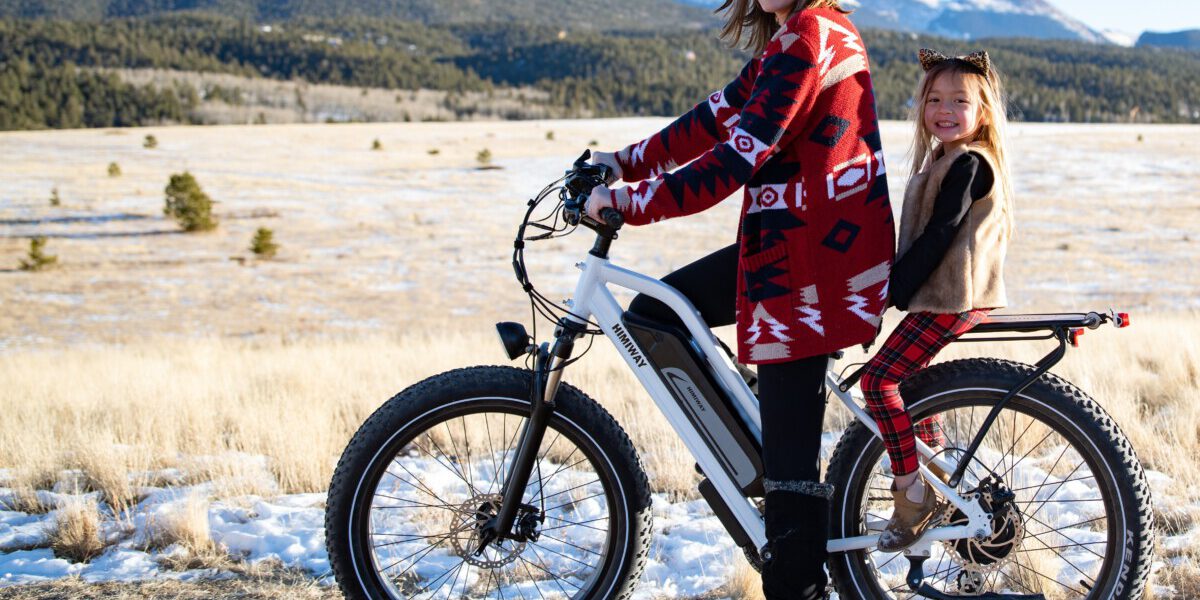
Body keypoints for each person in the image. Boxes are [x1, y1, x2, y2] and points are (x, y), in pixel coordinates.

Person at [585, 1, 894, 596]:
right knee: (658, 311)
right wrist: (624, 163)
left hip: (817, 266)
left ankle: (795, 570)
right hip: (786, 247)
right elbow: (712, 120)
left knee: (792, 470)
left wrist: (627, 203)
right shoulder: (789, 40)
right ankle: (753, 450)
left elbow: (735, 158)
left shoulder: (811, 37)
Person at [859, 48, 1014, 552]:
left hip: (953, 297)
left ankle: (912, 490)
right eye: (934, 99)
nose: (944, 109)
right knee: (912, 383)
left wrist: (891, 292)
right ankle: (940, 470)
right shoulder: (946, 158)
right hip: (945, 294)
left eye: (959, 101)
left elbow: (941, 235)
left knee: (878, 381)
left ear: (983, 111)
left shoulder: (968, 163)